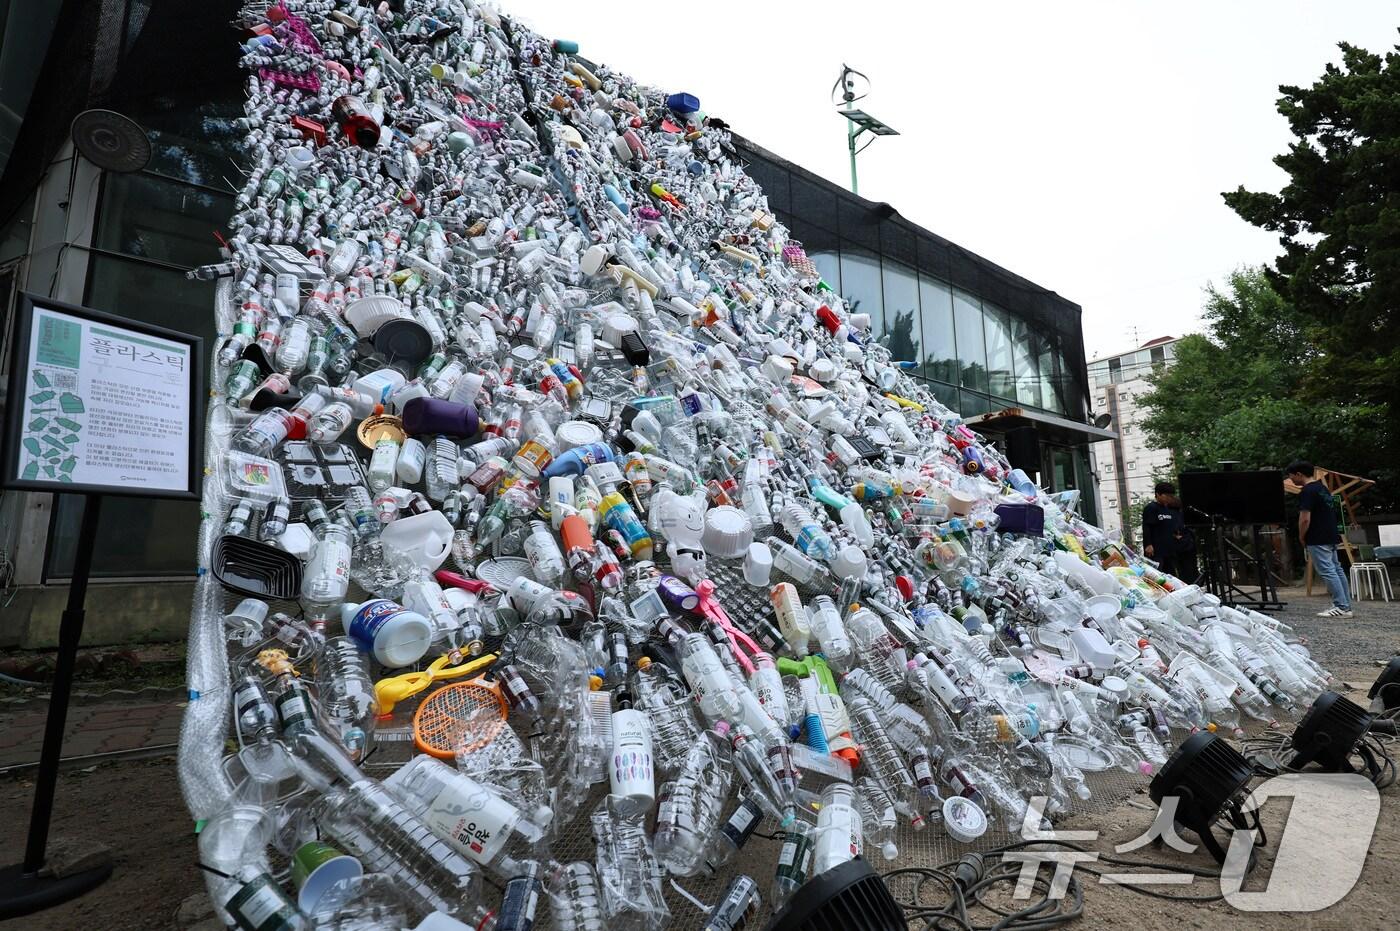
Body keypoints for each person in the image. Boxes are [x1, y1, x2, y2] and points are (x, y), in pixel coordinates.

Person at [1286, 460, 1351, 618]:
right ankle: (1346, 605)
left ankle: (1341, 606)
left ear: (1299, 474)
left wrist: (1302, 536)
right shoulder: (1322, 488)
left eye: (1291, 476)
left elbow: (1305, 518)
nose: (1291, 479)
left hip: (1317, 536)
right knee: (1336, 569)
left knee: (1328, 571)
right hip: (1331, 534)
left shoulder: (1307, 491)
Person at [1142, 482, 1189, 580]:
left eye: (1171, 496)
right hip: (1156, 551)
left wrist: (1177, 535)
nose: (1169, 498)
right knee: (1157, 577)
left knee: (1171, 577)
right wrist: (1148, 544)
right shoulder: (1151, 508)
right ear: (1158, 494)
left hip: (1170, 550)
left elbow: (1173, 526)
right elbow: (1146, 527)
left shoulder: (1171, 510)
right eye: (1166, 495)